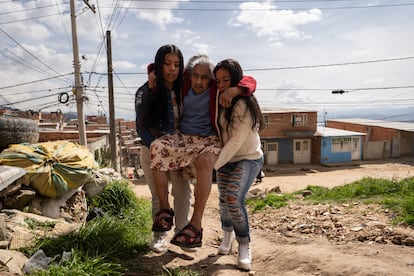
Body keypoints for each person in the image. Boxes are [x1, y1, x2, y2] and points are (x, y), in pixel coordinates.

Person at [149, 55, 257, 249]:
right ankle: (165, 211)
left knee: (206, 161)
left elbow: (251, 81)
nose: (199, 82)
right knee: (157, 146)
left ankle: (196, 224)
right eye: (195, 76)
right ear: (189, 76)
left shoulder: (218, 88)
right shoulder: (183, 83)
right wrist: (152, 73)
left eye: (205, 77)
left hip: (208, 139)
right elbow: (161, 67)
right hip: (184, 137)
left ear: (212, 79)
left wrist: (235, 89)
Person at [135, 44, 191, 253]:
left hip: (179, 151)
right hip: (151, 149)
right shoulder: (145, 91)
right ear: (159, 65)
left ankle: (183, 232)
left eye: (177, 64)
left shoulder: (186, 89)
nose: (172, 69)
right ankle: (159, 235)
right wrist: (158, 147)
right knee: (159, 195)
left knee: (183, 191)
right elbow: (141, 127)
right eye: (167, 64)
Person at [213, 58, 264, 271]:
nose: (222, 85)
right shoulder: (217, 96)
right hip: (226, 159)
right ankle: (227, 236)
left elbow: (235, 141)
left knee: (233, 198)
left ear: (235, 80)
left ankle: (244, 245)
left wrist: (213, 166)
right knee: (224, 201)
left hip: (248, 158)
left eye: (227, 80)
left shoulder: (244, 103)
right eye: (218, 81)